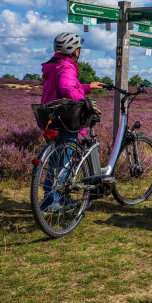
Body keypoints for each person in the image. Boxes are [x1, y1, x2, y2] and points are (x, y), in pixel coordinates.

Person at [40, 32, 104, 211]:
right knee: (64, 164)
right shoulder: (67, 66)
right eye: (78, 49)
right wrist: (86, 104)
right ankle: (53, 203)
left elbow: (63, 87)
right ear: (74, 51)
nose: (79, 52)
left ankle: (58, 198)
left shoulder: (54, 65)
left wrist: (87, 87)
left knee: (55, 163)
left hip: (50, 117)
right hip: (65, 118)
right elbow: (67, 89)